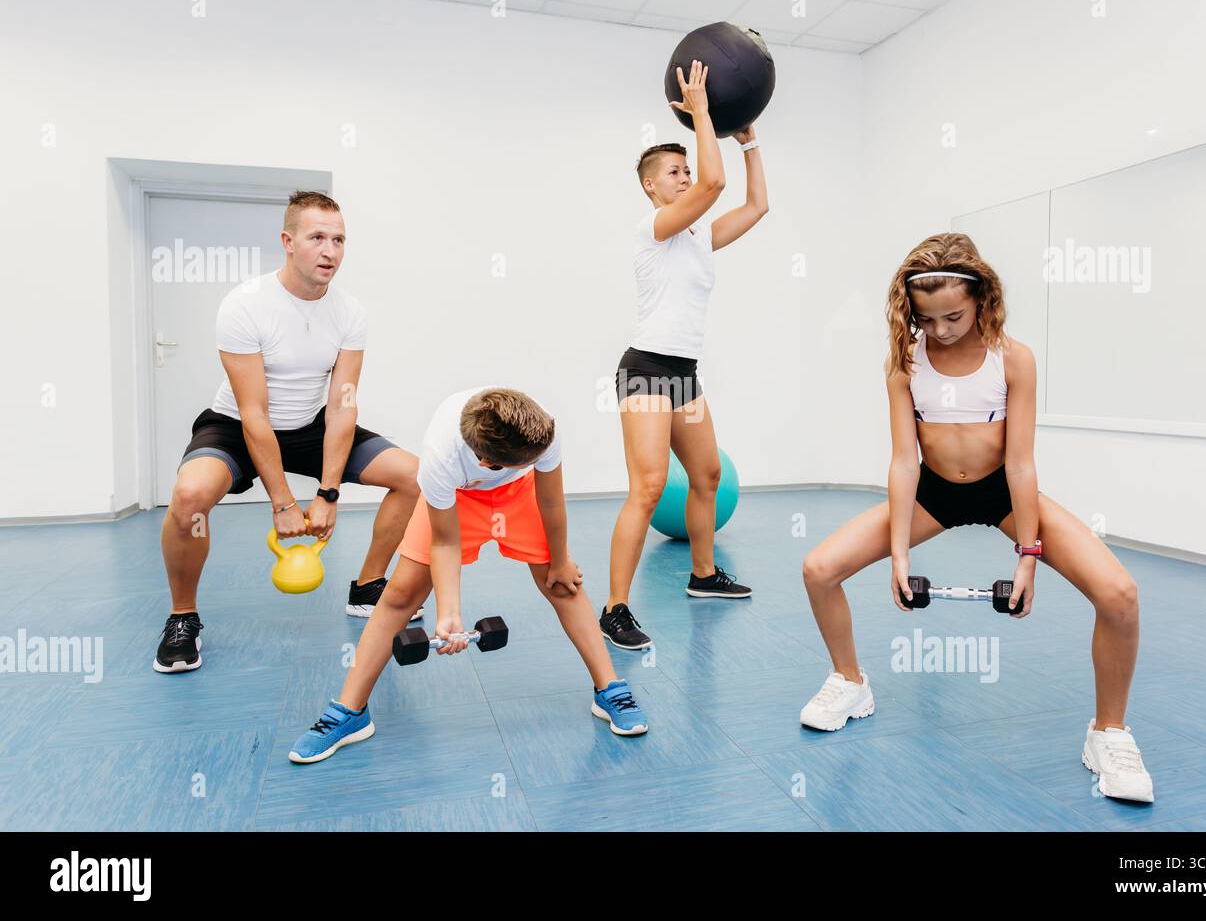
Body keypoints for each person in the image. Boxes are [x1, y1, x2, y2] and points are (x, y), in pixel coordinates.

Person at [798, 233, 1154, 803]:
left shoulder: (1013, 358)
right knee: (819, 568)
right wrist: (899, 553)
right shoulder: (904, 362)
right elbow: (902, 461)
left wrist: (1028, 558)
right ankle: (850, 682)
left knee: (1120, 594)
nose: (939, 330)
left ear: (983, 295)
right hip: (933, 493)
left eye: (953, 316)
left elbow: (1020, 463)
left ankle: (1108, 733)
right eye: (927, 318)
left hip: (1004, 495)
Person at [289, 387, 648, 763]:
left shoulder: (540, 429)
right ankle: (350, 713)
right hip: (458, 496)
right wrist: (449, 613)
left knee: (562, 585)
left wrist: (560, 559)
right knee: (399, 594)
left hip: (518, 495)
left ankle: (610, 690)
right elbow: (445, 543)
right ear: (485, 460)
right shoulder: (441, 458)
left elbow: (551, 500)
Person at [155, 191, 420, 673]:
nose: (330, 251)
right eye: (317, 237)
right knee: (189, 498)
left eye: (339, 240)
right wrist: (282, 503)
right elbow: (254, 413)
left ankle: (367, 588)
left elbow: (342, 406)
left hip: (310, 426)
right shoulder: (245, 305)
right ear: (288, 241)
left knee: (414, 476)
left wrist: (328, 494)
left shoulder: (349, 312)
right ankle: (182, 616)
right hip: (236, 426)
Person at [602, 59, 769, 651]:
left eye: (684, 169)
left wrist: (750, 143)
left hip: (684, 376)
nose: (683, 176)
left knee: (707, 474)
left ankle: (703, 576)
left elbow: (754, 208)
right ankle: (615, 608)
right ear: (651, 184)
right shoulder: (656, 226)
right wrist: (700, 110)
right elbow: (713, 186)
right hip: (646, 370)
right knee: (647, 488)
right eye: (674, 171)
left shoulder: (698, 236)